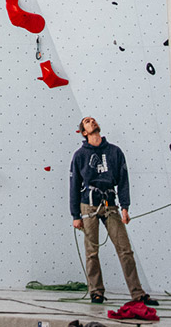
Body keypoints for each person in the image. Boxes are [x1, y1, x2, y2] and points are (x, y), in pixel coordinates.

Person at [69, 116, 157, 306]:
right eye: (87, 121)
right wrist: (75, 215)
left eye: (93, 120)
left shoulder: (114, 152)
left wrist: (125, 207)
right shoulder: (79, 155)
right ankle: (96, 292)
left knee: (125, 250)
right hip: (89, 205)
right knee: (91, 252)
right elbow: (74, 185)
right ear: (84, 132)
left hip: (110, 205)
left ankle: (138, 293)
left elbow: (123, 181)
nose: (92, 122)